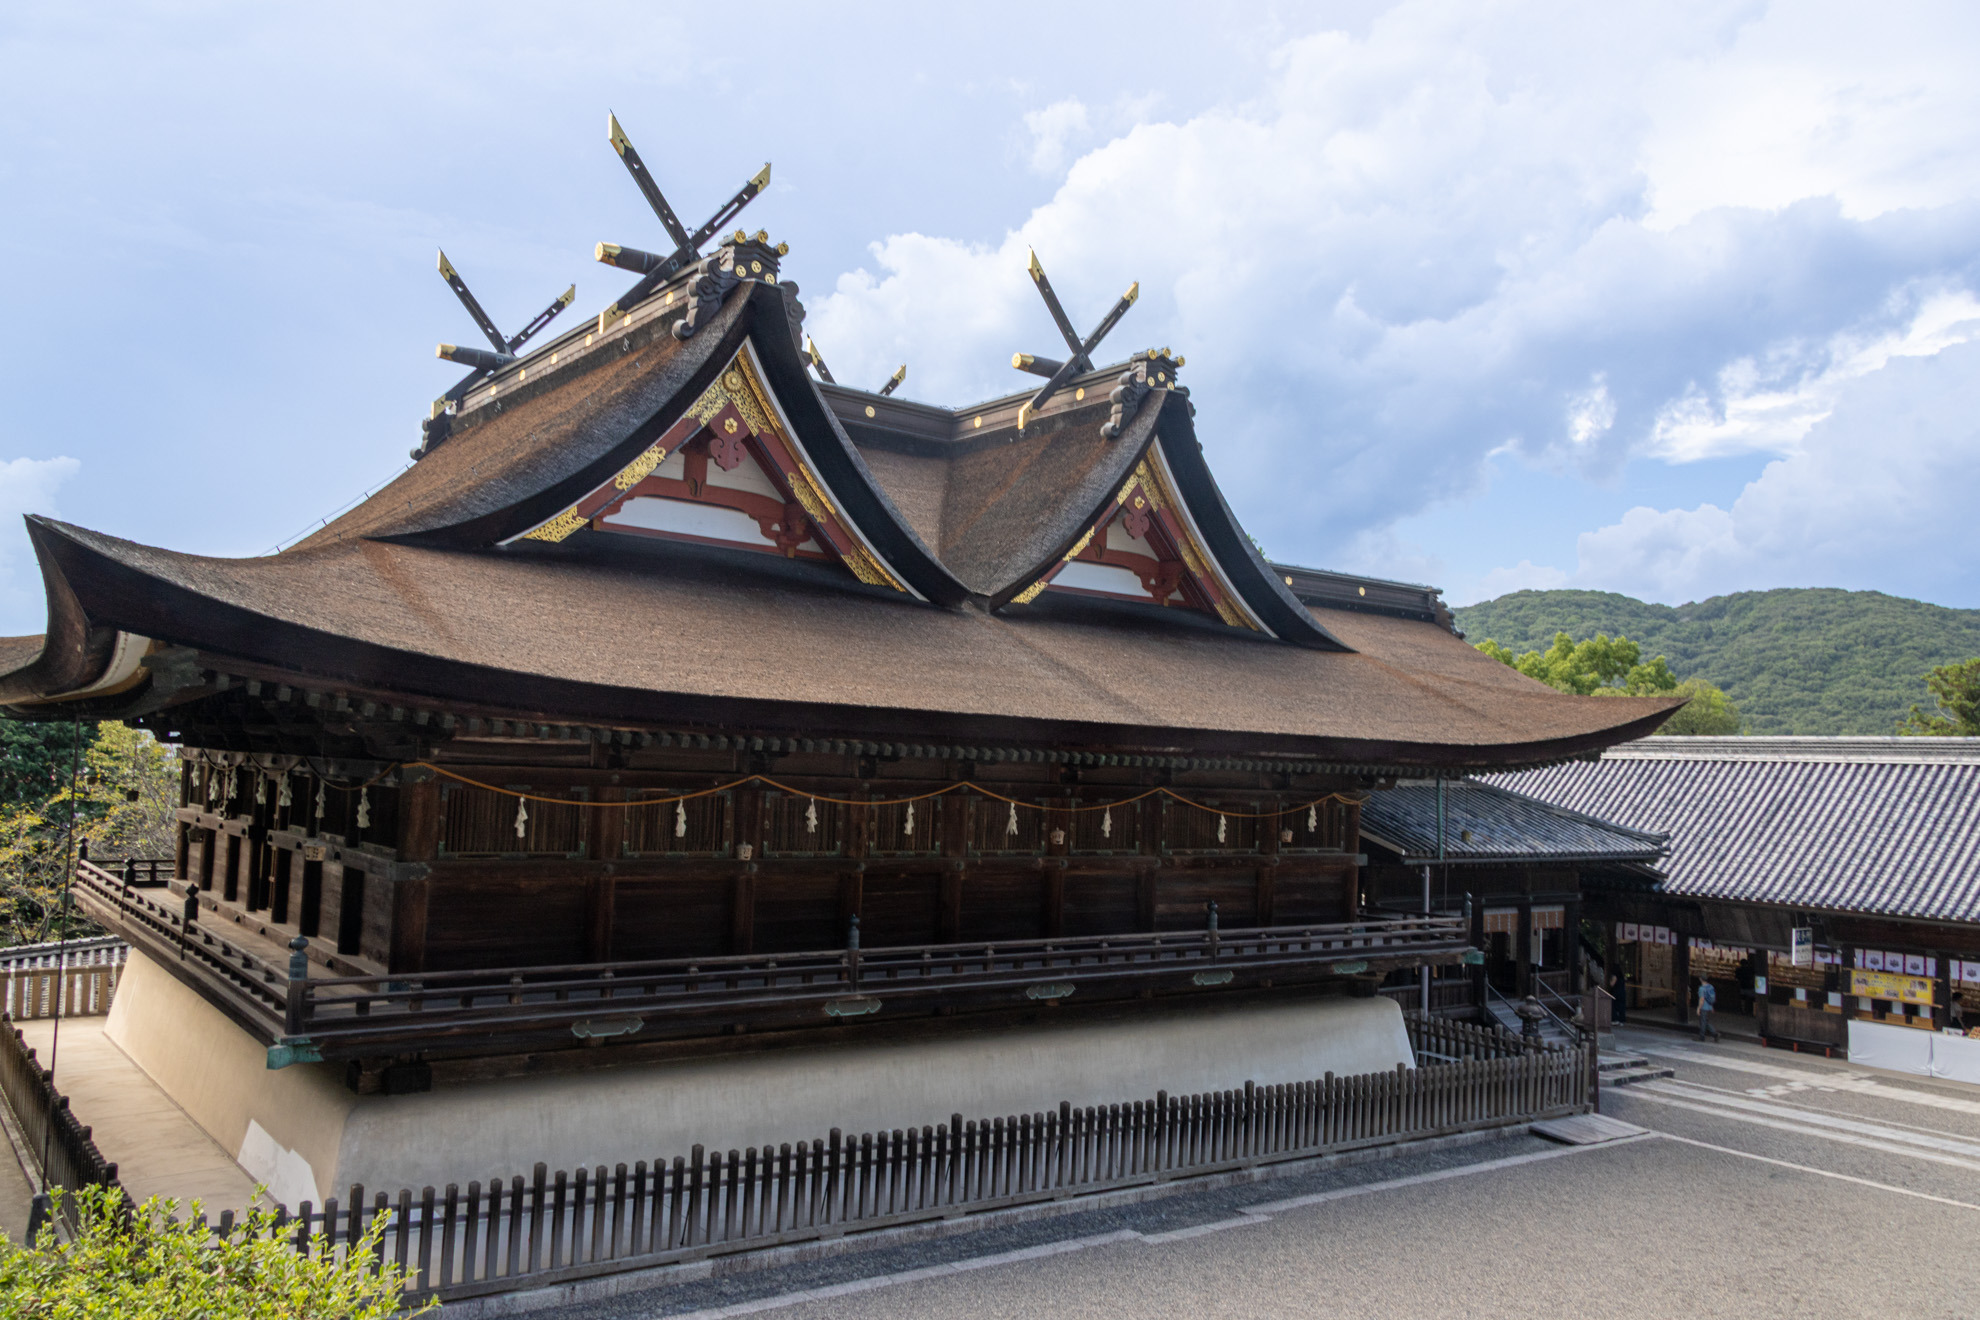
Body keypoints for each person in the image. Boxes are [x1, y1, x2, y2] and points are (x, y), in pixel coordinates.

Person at [1697, 977, 1720, 1042]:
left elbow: (1702, 999)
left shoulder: (1702, 988)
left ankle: (1702, 1037)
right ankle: (1715, 1034)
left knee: (1703, 1022)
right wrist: (1711, 1006)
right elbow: (1711, 997)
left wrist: (1699, 1008)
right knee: (1705, 1022)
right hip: (1709, 1006)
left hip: (1703, 1007)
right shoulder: (1710, 987)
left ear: (1701, 979)